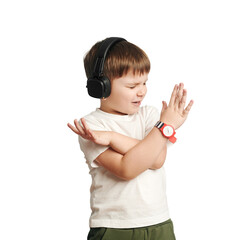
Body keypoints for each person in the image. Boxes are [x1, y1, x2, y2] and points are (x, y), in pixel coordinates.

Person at [67, 37, 194, 240]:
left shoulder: (150, 116)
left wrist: (112, 138)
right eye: (132, 85)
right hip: (114, 227)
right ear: (101, 87)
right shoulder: (90, 127)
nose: (142, 91)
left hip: (159, 222)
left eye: (144, 83)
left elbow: (157, 160)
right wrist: (163, 129)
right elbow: (128, 168)